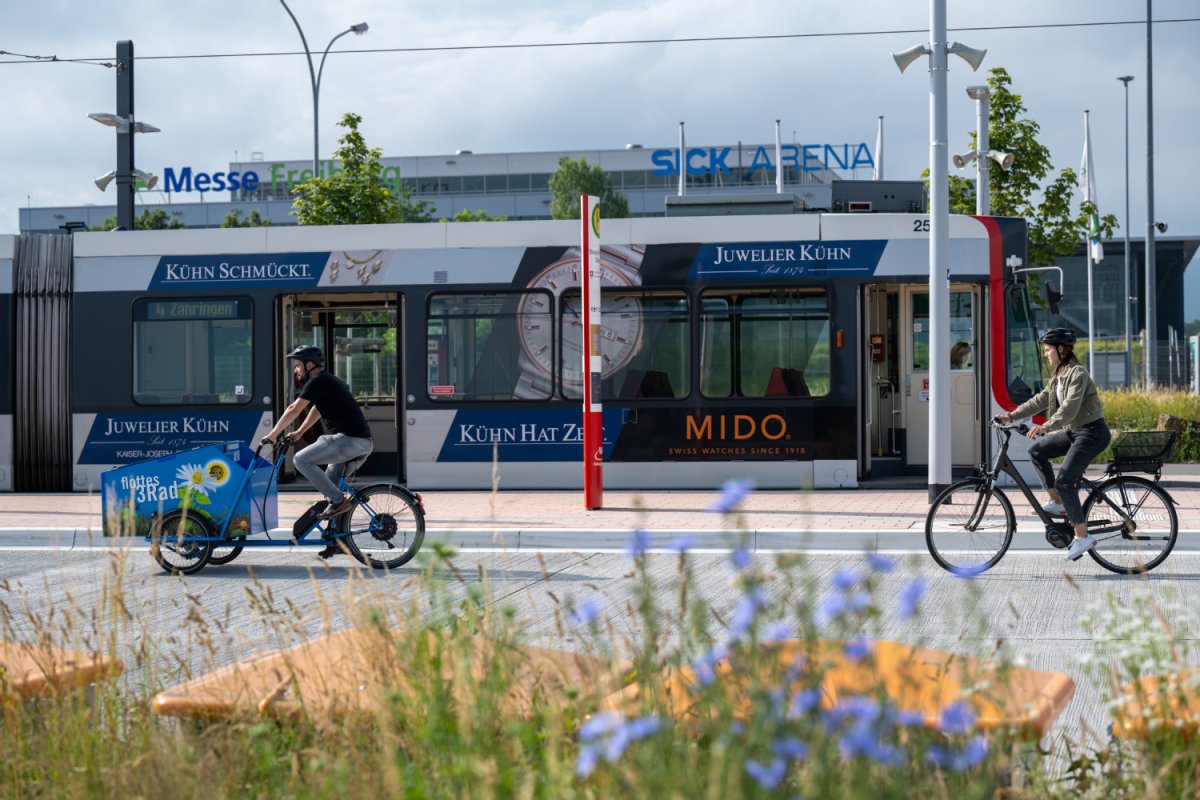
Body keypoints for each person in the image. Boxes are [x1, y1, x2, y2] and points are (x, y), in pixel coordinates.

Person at [997, 328, 1111, 561]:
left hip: (1092, 433)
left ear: (1061, 349)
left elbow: (1069, 408)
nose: (1046, 354)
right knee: (1037, 452)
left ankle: (1082, 536)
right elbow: (1040, 400)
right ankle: (1058, 502)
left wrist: (1046, 426)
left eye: (1048, 349)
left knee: (1065, 481)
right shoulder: (1059, 374)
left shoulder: (1077, 373)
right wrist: (1011, 416)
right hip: (1075, 431)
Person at [262, 345, 373, 559]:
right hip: (357, 442)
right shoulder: (326, 381)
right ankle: (337, 541)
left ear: (309, 364)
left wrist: (273, 434)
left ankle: (339, 501)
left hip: (350, 440)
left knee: (301, 459)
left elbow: (293, 409)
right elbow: (316, 410)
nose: (295, 370)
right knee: (330, 488)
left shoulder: (317, 381)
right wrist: (299, 432)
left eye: (297, 365)